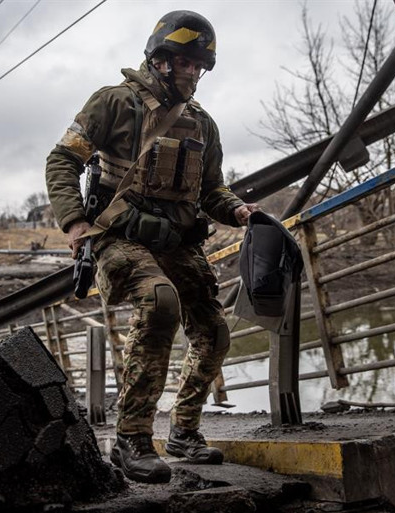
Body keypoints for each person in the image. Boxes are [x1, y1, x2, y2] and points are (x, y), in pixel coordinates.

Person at [45, 10, 259, 484]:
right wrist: (75, 221)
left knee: (214, 331)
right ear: (161, 60)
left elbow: (212, 191)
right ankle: (133, 440)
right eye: (187, 64)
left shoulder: (203, 123)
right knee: (159, 303)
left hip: (177, 240)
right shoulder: (113, 103)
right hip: (117, 235)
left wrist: (239, 211)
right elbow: (63, 160)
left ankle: (184, 431)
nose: (194, 74)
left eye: (201, 67)